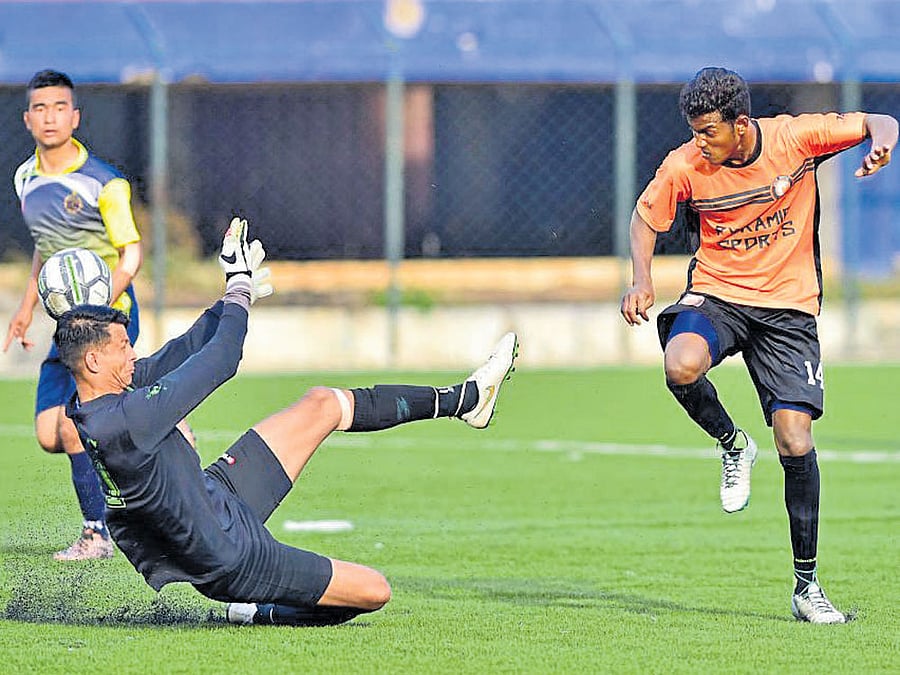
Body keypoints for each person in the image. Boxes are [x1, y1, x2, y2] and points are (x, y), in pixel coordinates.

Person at [53, 217, 518, 626]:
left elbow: (185, 348)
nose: (133, 353)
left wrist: (236, 295)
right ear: (94, 360)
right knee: (375, 590)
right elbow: (222, 359)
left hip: (215, 498)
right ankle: (257, 610)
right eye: (122, 346)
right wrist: (237, 287)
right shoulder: (128, 419)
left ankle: (466, 400)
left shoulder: (97, 399)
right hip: (229, 556)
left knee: (322, 403)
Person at [620, 67, 897, 624]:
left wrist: (883, 141)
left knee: (795, 441)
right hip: (719, 295)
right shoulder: (686, 165)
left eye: (708, 132)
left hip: (789, 309)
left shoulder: (797, 138)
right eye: (694, 132)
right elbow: (644, 218)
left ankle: (806, 587)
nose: (700, 143)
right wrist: (642, 279)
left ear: (741, 125)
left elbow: (878, 119)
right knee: (681, 364)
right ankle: (731, 443)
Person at [2, 69, 150, 561]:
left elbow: (131, 254)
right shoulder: (25, 177)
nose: (50, 117)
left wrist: (101, 298)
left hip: (107, 321)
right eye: (40, 108)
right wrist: (25, 311)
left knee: (73, 428)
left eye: (59, 107)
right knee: (50, 433)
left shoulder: (105, 183)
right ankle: (161, 423)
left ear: (76, 116)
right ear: (27, 119)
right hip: (64, 325)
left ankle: (98, 534)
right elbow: (46, 250)